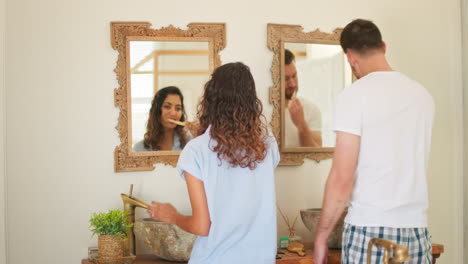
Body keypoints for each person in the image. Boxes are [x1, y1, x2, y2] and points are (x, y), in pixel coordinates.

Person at [313, 19, 434, 264]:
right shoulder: (422, 96)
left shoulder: (354, 96)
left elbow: (341, 177)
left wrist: (321, 237)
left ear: (350, 58)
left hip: (371, 230)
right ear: (384, 47)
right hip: (417, 232)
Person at [147, 62, 280, 263]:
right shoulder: (267, 142)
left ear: (211, 97)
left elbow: (202, 226)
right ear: (251, 100)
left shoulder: (196, 150)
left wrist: (172, 216)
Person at [132, 86, 193, 151]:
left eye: (178, 108)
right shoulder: (139, 149)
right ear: (157, 110)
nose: (173, 113)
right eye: (167, 107)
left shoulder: (190, 144)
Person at [284, 49, 322, 147]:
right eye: (286, 79)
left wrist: (301, 124)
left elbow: (317, 156)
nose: (292, 83)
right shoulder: (264, 112)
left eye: (294, 76)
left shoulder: (311, 109)